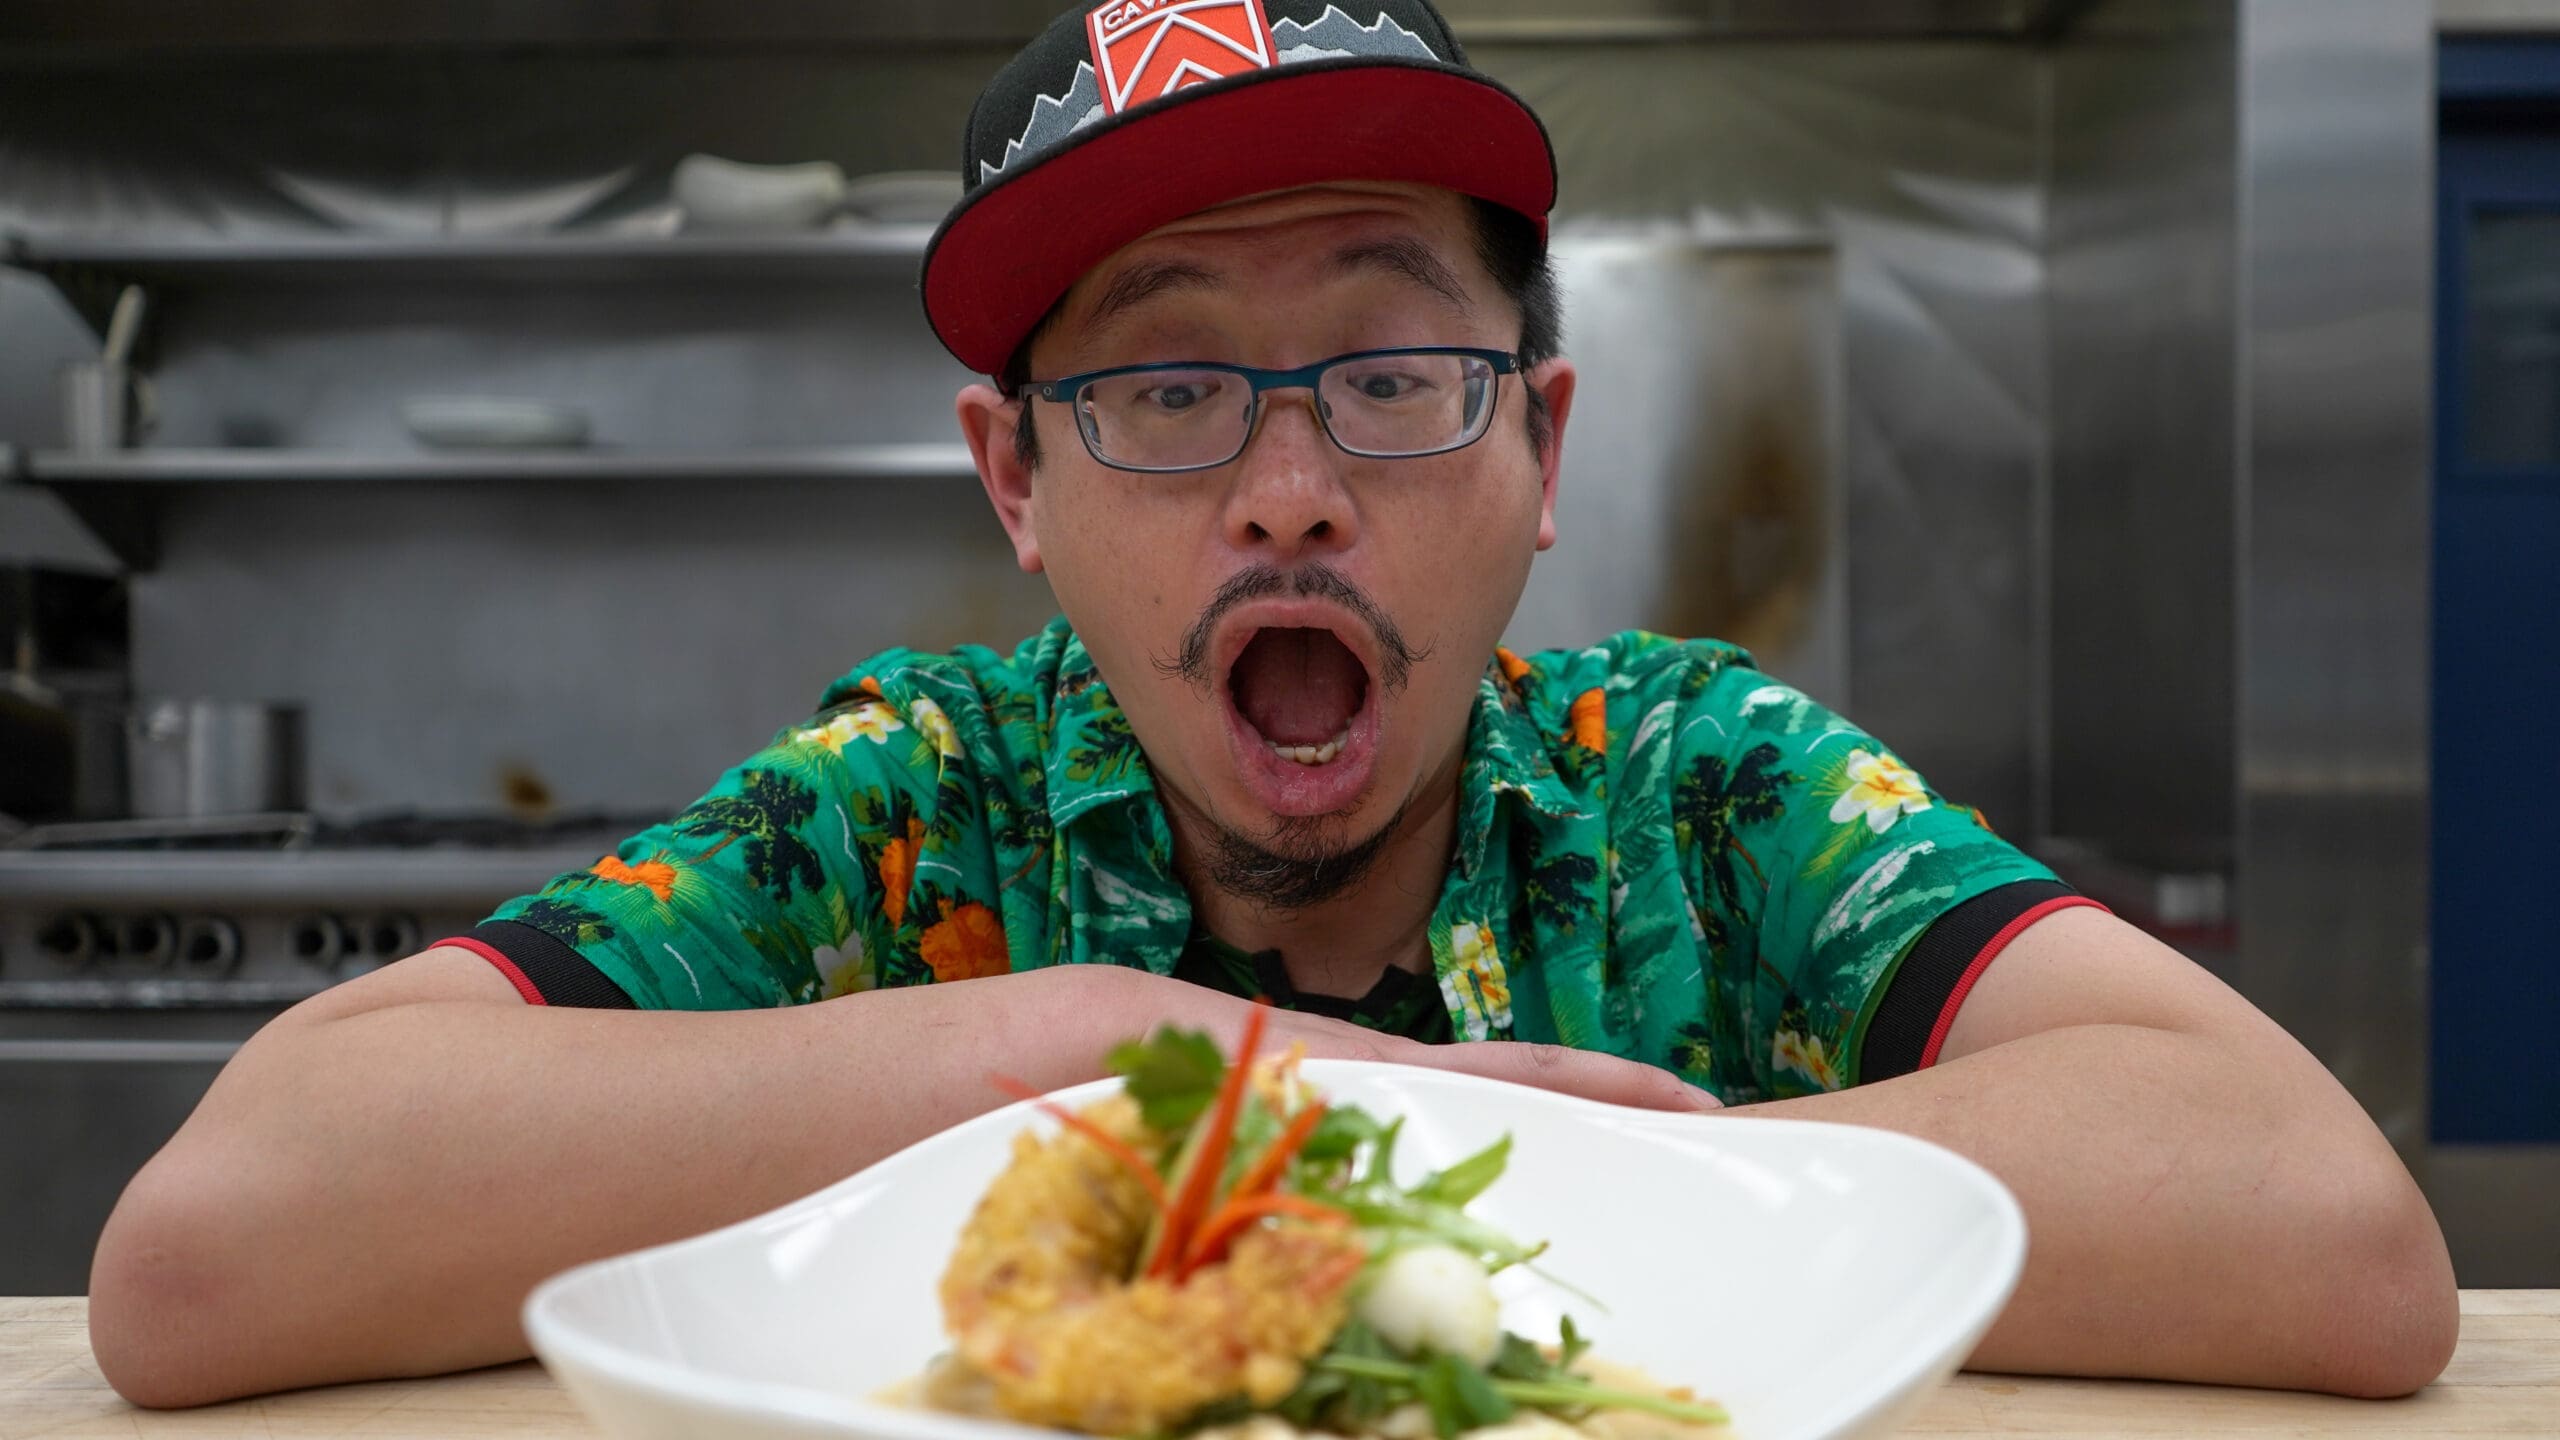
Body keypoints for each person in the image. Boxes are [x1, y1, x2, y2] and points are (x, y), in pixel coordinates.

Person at [89, 0, 2456, 1408]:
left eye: (1395, 374)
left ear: (1542, 448)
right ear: (1013, 482)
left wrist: (1560, 1171)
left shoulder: (1695, 787)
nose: (1291, 492)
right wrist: (1149, 1067)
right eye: (1163, 389)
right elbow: (209, 1253)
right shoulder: (914, 807)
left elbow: (2325, 1236)